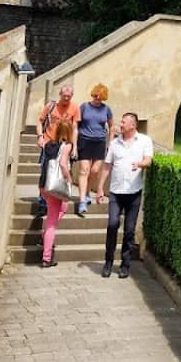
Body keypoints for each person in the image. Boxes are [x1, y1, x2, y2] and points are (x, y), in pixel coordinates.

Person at [96, 112, 153, 278]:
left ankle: (125, 265)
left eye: (123, 122)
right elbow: (107, 166)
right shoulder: (114, 143)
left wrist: (140, 164)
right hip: (115, 192)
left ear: (133, 125)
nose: (120, 124)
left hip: (134, 193)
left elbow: (148, 160)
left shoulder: (144, 141)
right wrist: (100, 188)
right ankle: (108, 262)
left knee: (129, 231)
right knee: (113, 224)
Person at [35, 85, 80, 214]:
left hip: (65, 144)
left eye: (69, 96)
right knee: (45, 171)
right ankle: (43, 202)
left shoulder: (75, 107)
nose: (66, 98)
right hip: (49, 143)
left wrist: (75, 147)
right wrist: (40, 137)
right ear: (60, 94)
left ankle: (58, 197)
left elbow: (75, 128)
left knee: (62, 171)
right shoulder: (50, 106)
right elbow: (40, 121)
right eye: (64, 96)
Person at [39, 118, 74, 267]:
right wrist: (69, 179)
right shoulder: (67, 145)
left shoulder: (49, 144)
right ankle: (47, 258)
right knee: (52, 222)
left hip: (44, 185)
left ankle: (45, 235)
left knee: (62, 209)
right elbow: (62, 164)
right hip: (56, 187)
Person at [76, 83, 114, 216]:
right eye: (96, 94)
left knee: (95, 170)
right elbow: (76, 124)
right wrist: (74, 143)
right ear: (93, 93)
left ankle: (86, 193)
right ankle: (82, 201)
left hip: (100, 142)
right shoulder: (84, 107)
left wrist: (111, 142)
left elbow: (112, 126)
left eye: (101, 96)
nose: (98, 97)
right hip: (84, 140)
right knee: (84, 170)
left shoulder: (106, 109)